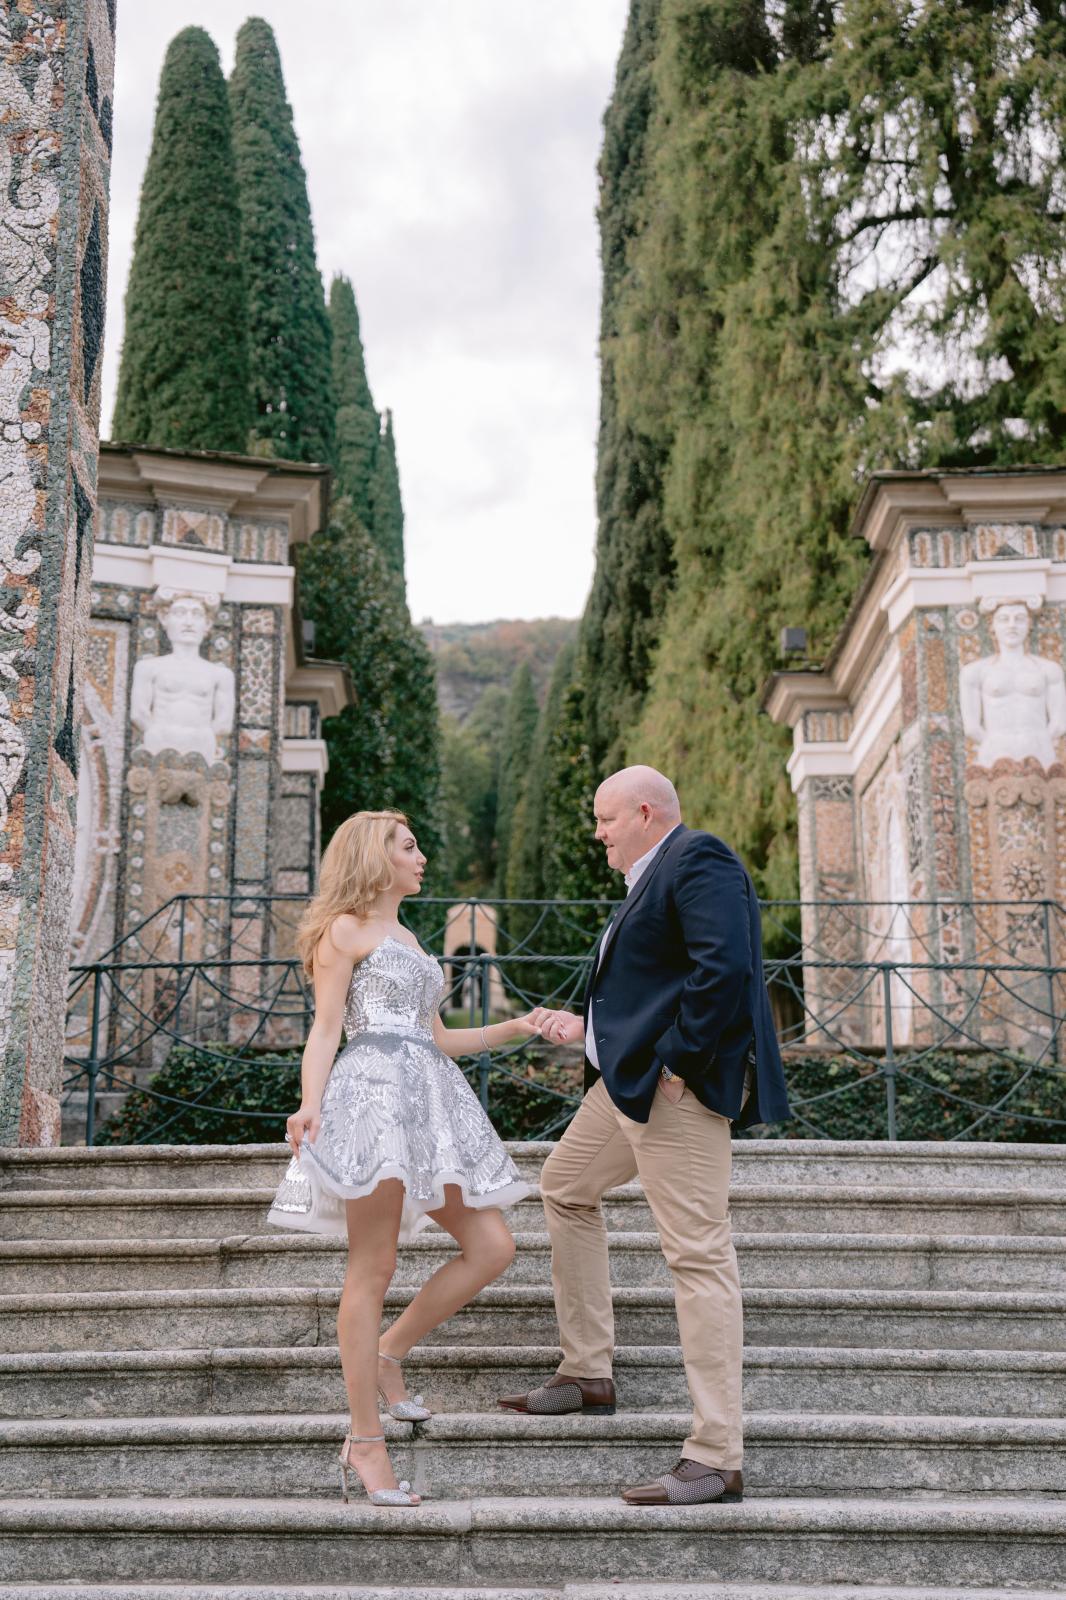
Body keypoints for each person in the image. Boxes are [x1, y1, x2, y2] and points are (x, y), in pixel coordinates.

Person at [500, 765, 790, 1506]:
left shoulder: (700, 857)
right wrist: (586, 1027)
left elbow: (723, 970)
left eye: (605, 819)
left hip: (673, 1090)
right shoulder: (650, 878)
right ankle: (588, 1370)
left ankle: (717, 1454)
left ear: (643, 811)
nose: (597, 833)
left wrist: (678, 1066)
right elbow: (650, 984)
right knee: (564, 1187)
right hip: (626, 1087)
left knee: (697, 1255)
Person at [268, 809, 539, 1507]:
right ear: (374, 857)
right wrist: (310, 1103)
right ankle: (364, 1439)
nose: (421, 857)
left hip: (430, 1100)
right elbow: (327, 1029)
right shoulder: (344, 930)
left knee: (492, 1244)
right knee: (373, 1265)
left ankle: (389, 1353)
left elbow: (439, 1040)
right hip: (372, 1100)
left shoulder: (414, 939)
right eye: (409, 846)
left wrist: (517, 1027)